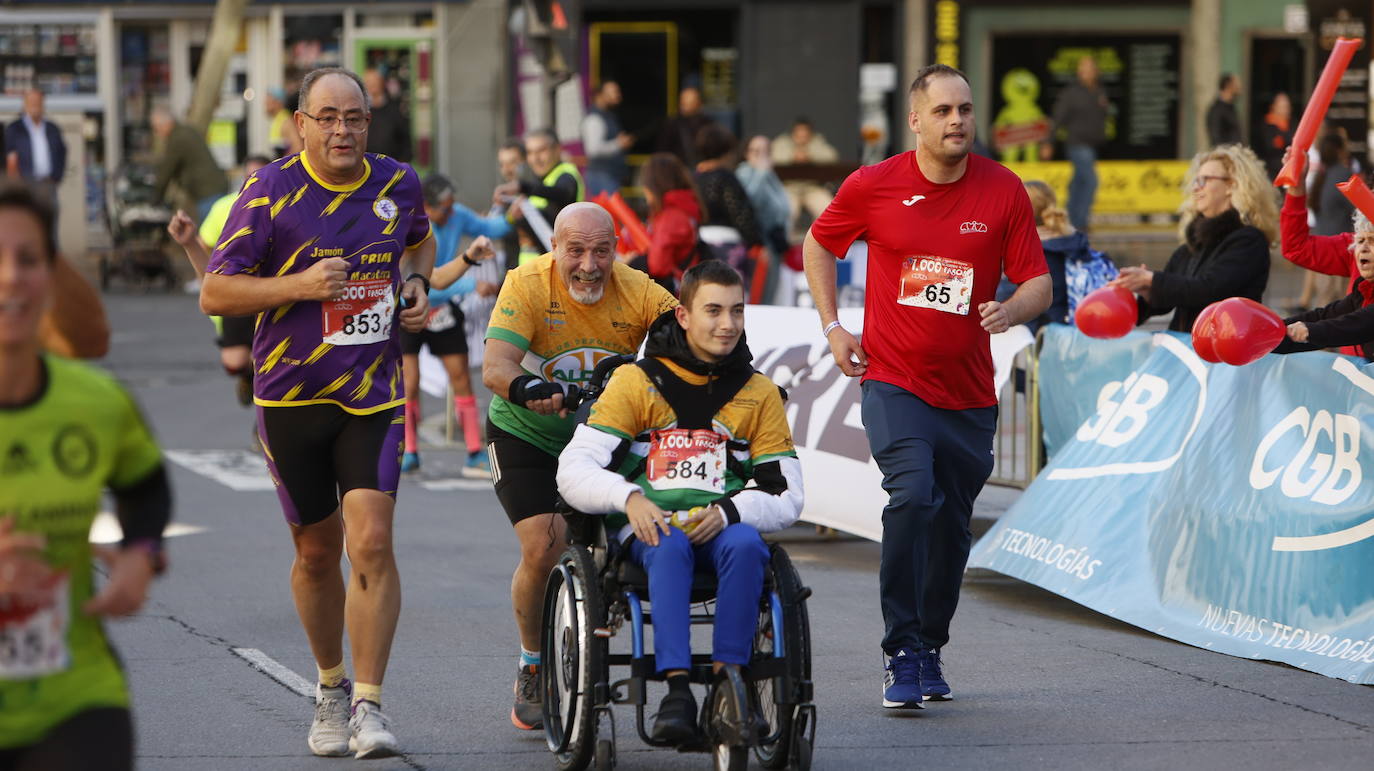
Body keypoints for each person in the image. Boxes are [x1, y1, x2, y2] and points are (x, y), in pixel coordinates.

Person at [199, 66, 435, 759]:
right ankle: (329, 684)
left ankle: (368, 702)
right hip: (291, 398)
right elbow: (215, 291)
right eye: (326, 116)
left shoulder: (397, 183)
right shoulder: (269, 191)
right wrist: (300, 284)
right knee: (315, 552)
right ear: (299, 123)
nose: (342, 129)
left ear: (369, 122)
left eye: (354, 117)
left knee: (371, 540)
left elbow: (418, 237)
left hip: (373, 394)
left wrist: (416, 279)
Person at [802, 63, 1050, 708]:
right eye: (943, 111)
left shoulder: (1003, 189)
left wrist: (1010, 310)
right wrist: (833, 327)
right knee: (912, 497)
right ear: (915, 119)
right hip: (894, 379)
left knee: (951, 529)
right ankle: (901, 650)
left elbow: (1038, 283)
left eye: (965, 110)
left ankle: (930, 644)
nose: (957, 121)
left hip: (969, 394)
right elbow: (819, 245)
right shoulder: (874, 185)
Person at [556, 260, 803, 742]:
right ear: (684, 316)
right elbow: (574, 469)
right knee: (669, 545)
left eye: (736, 311)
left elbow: (787, 493)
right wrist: (627, 498)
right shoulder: (636, 382)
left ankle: (728, 684)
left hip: (721, 526)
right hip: (649, 528)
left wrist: (731, 510)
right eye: (713, 311)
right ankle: (675, 691)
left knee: (749, 546)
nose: (727, 324)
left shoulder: (758, 394)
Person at [481, 202, 678, 731]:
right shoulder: (526, 284)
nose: (589, 265)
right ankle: (532, 661)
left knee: (616, 546)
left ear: (617, 249)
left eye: (601, 251)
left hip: (604, 442)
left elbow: (693, 348)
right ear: (555, 249)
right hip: (529, 435)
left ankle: (600, 599)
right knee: (544, 547)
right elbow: (496, 366)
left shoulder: (641, 292)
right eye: (575, 251)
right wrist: (530, 387)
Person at [0, 181, 172, 771]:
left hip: (73, 695)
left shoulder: (93, 403)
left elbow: (145, 484)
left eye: (28, 260)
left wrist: (139, 553)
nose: (10, 278)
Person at [398, 173, 508, 475]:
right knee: (408, 383)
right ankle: (409, 450)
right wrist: (471, 285)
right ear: (426, 207)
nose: (450, 213)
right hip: (410, 307)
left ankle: (474, 451)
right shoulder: (415, 227)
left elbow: (490, 228)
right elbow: (427, 279)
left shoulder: (456, 214)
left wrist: (508, 211)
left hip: (442, 308)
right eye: (443, 209)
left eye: (451, 206)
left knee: (460, 375)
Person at [1113, 144, 1276, 332]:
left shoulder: (1248, 240)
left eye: (1204, 180)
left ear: (1232, 185)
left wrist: (1152, 279)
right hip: (1187, 354)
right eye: (1195, 181)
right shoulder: (1192, 244)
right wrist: (1147, 291)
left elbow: (1209, 290)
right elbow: (1174, 295)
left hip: (1224, 354)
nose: (1196, 188)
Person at [166, 155, 273, 410]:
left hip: (274, 297)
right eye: (250, 178)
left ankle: (263, 425)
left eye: (261, 178)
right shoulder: (225, 208)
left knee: (272, 367)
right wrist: (190, 243)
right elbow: (211, 271)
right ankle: (248, 377)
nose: (254, 184)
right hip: (238, 295)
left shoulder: (284, 208)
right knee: (235, 362)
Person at [994, 180, 1104, 333]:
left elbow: (1004, 302)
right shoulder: (1075, 242)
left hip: (1034, 338)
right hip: (1072, 333)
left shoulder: (1027, 251)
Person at [1275, 210, 1374, 361]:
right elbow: (1327, 315)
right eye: (1360, 241)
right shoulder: (1363, 288)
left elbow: (1360, 323)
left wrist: (1310, 331)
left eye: (1373, 240)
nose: (1364, 248)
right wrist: (1273, 330)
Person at [496, 128, 585, 261]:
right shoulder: (538, 180)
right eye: (530, 153)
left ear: (557, 149)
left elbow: (562, 193)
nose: (535, 159)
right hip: (529, 271)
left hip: (552, 269)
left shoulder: (566, 175)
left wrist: (522, 186)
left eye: (542, 151)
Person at [694, 123, 762, 283]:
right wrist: (757, 240)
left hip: (698, 246)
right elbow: (741, 215)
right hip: (727, 246)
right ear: (726, 151)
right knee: (731, 299)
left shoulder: (692, 178)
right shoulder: (725, 177)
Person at [1048, 55, 1109, 232]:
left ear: (1096, 71)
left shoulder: (1099, 91)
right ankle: (1079, 222)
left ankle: (1068, 219)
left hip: (1092, 144)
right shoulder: (1072, 93)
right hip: (1077, 143)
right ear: (1079, 72)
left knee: (1077, 183)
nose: (1086, 72)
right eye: (1083, 68)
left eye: (1090, 68)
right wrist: (1049, 142)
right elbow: (1057, 119)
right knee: (1090, 181)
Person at [150, 108, 229, 223]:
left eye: (156, 128)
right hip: (212, 188)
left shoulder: (177, 138)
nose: (156, 133)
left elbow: (167, 169)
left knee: (209, 234)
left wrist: (156, 196)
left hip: (207, 191)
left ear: (165, 124)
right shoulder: (186, 130)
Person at [637, 152, 703, 289]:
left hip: (670, 294)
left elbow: (658, 265)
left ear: (653, 185)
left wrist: (632, 261)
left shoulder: (670, 216)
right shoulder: (685, 208)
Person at [771, 117, 839, 239]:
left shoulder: (817, 142)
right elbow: (774, 157)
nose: (802, 135)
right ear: (793, 132)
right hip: (790, 188)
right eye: (799, 131)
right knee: (787, 212)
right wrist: (792, 157)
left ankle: (821, 242)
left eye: (805, 131)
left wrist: (810, 155)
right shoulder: (782, 142)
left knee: (827, 209)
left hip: (812, 188)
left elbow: (832, 157)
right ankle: (787, 245)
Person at [4, 89, 67, 221]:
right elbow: (10, 158)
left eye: (38, 102)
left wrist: (56, 176)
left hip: (47, 184)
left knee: (50, 223)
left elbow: (61, 152)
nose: (35, 106)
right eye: (32, 102)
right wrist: (15, 184)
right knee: (25, 222)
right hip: (25, 185)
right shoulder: (14, 129)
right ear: (24, 104)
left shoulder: (52, 128)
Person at [581, 80, 633, 196]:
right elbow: (593, 150)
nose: (618, 95)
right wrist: (618, 144)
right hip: (602, 176)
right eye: (613, 92)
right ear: (600, 95)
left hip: (609, 175)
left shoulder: (608, 116)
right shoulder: (595, 119)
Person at [656, 86, 715, 167]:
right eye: (684, 103)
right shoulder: (672, 124)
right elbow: (663, 151)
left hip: (702, 168)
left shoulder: (707, 123)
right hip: (678, 169)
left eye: (691, 103)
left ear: (699, 103)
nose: (686, 106)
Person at [362, 68, 411, 162]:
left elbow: (405, 141)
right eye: (369, 82)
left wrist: (401, 165)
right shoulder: (361, 111)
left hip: (392, 166)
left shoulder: (395, 109)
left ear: (382, 83)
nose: (372, 85)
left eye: (375, 81)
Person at [1258, 93, 1293, 180]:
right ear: (1274, 107)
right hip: (1271, 171)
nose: (1286, 110)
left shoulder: (1292, 124)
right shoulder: (1267, 125)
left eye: (1287, 107)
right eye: (1282, 107)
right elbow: (1271, 147)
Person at [1206, 73, 1243, 148]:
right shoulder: (1217, 110)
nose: (1240, 88)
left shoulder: (1231, 108)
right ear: (1228, 85)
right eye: (1236, 85)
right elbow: (1216, 140)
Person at [265, 86, 293, 157]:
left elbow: (298, 147)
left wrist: (284, 164)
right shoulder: (277, 120)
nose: (265, 104)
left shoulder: (286, 121)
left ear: (278, 102)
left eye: (268, 101)